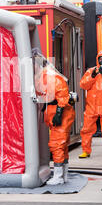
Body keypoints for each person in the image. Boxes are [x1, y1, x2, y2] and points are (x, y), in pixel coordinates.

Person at [33, 51, 75, 185]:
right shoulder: (44, 76)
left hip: (61, 115)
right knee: (62, 146)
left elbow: (62, 96)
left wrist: (58, 113)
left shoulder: (51, 77)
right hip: (56, 114)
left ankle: (58, 176)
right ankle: (64, 174)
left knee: (57, 145)